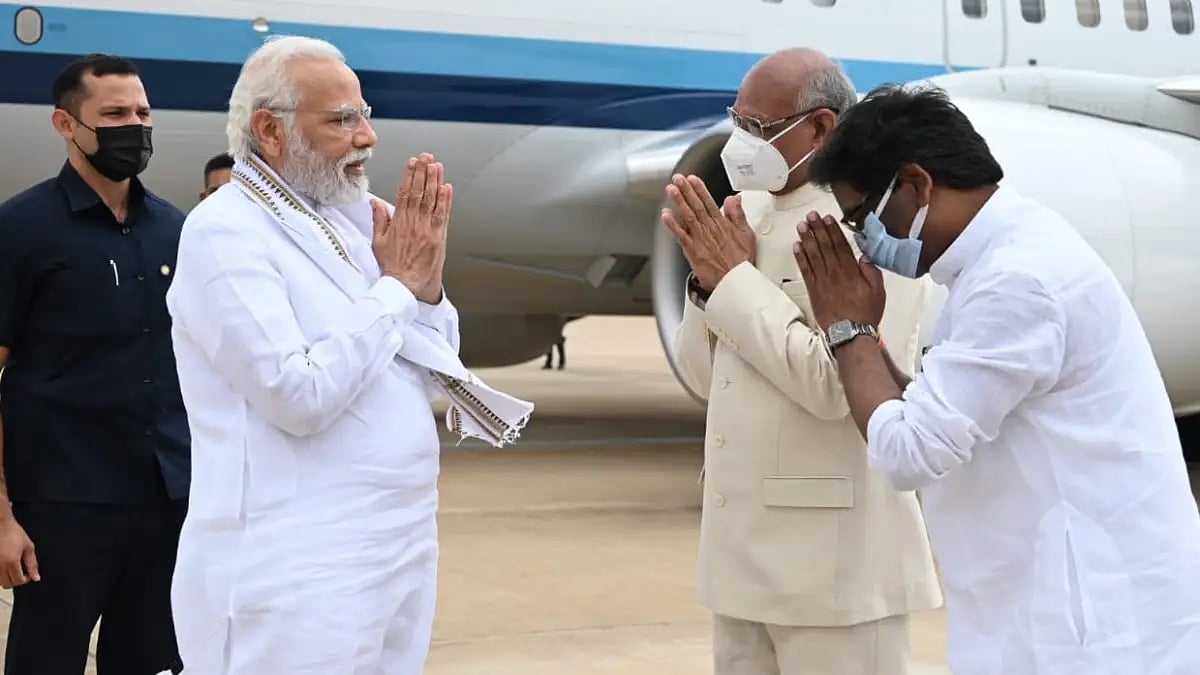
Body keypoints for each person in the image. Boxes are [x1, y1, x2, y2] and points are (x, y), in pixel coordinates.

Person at [795, 82, 1200, 674]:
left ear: (916, 185)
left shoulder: (1015, 283)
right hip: (1053, 611)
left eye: (862, 218)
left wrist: (846, 328)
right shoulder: (1002, 259)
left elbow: (909, 451)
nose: (865, 244)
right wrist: (866, 335)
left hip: (1090, 630)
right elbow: (935, 411)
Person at [165, 35, 533, 674]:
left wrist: (426, 287)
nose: (368, 137)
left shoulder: (351, 218)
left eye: (364, 115)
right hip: (298, 562)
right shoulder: (224, 231)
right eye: (341, 120)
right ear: (270, 131)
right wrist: (397, 289)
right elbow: (297, 396)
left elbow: (432, 369)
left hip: (397, 542)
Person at [660, 48, 942, 675]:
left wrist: (732, 281)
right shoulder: (747, 213)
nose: (741, 141)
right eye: (736, 121)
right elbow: (705, 379)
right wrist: (705, 288)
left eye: (758, 127)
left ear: (819, 128)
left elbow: (837, 388)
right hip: (738, 567)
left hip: (834, 575)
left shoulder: (875, 222)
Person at [0, 54, 189, 675]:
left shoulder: (175, 229)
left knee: (153, 663)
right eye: (114, 115)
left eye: (142, 113)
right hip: (61, 510)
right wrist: (1, 518)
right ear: (66, 124)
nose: (134, 127)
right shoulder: (21, 229)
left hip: (164, 503)